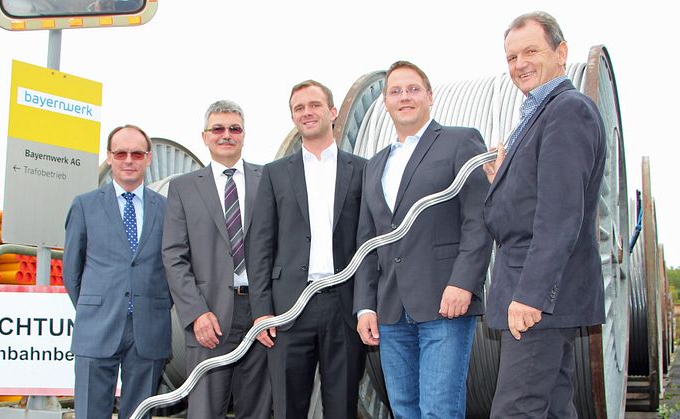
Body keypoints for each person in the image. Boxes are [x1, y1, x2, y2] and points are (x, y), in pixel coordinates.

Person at [482, 11, 606, 418]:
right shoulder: (540, 113)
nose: (520, 64)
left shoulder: (566, 110)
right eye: (512, 57)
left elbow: (560, 214)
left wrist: (532, 295)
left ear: (561, 53)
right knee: (552, 408)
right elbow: (538, 197)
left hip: (536, 301)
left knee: (516, 411)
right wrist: (505, 180)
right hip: (538, 298)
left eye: (531, 51)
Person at [353, 61, 492, 419]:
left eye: (413, 89)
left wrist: (463, 282)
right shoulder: (375, 164)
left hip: (444, 302)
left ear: (430, 96)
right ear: (386, 102)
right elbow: (367, 242)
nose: (405, 98)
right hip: (390, 309)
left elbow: (478, 219)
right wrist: (366, 306)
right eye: (396, 91)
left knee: (439, 410)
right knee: (404, 410)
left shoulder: (461, 141)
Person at [247, 80, 367, 419]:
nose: (306, 112)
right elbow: (260, 246)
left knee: (342, 405)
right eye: (299, 108)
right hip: (288, 308)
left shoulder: (361, 169)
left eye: (314, 105)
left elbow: (371, 241)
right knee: (287, 407)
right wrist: (262, 311)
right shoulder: (273, 175)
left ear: (331, 112)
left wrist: (367, 304)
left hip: (343, 304)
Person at [161, 100, 271, 419]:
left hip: (260, 314)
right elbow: (174, 255)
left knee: (259, 409)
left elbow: (278, 248)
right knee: (206, 410)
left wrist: (270, 310)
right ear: (205, 136)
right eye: (218, 129)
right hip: (209, 316)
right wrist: (196, 313)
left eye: (234, 129)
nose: (226, 135)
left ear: (243, 135)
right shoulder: (182, 188)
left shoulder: (268, 180)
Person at [63, 124, 172, 419]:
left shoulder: (167, 208)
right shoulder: (84, 206)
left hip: (148, 329)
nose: (128, 160)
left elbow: (173, 266)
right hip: (97, 326)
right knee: (90, 412)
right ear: (109, 157)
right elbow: (72, 272)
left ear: (148, 158)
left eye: (136, 153)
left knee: (139, 413)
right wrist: (96, 305)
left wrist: (155, 305)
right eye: (121, 153)